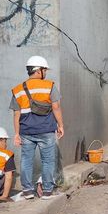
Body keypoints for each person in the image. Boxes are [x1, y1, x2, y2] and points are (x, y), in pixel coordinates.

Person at [10, 56, 64, 200]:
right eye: (44, 69)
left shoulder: (18, 89)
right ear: (39, 70)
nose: (45, 72)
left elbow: (16, 114)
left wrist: (16, 134)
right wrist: (60, 125)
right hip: (46, 130)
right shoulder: (49, 86)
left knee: (26, 160)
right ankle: (47, 191)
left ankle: (27, 191)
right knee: (48, 160)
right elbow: (56, 107)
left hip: (26, 131)